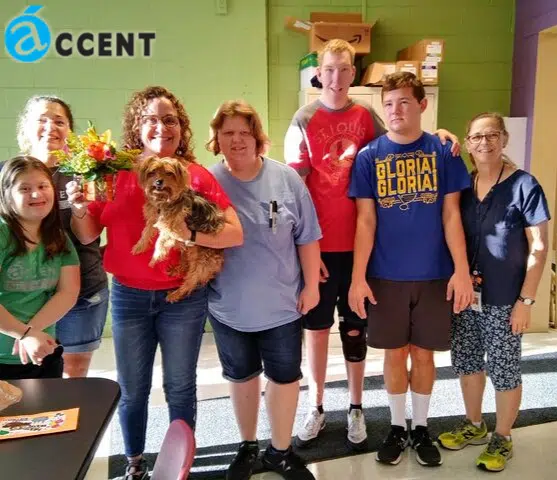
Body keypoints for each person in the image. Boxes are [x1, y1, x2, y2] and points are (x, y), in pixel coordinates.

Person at [284, 38, 460, 450]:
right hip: (319, 246)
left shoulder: (366, 116)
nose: (336, 77)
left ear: (353, 73)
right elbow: (296, 188)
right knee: (316, 330)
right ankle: (317, 405)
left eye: (344, 69)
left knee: (355, 330)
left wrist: (440, 134)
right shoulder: (303, 118)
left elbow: (402, 137)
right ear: (318, 73)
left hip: (363, 250)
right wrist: (307, 248)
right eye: (329, 69)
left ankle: (356, 406)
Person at [66, 86, 243, 480]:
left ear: (181, 128)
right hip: (129, 296)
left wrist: (188, 234)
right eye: (151, 119)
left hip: (183, 300)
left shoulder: (195, 175)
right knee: (132, 389)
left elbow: (234, 234)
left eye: (170, 120)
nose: (161, 127)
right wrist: (79, 208)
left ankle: (179, 467)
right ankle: (134, 463)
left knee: (180, 386)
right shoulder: (113, 175)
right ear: (137, 126)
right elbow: (87, 234)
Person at [348, 71, 474, 467]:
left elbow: (452, 215)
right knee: (393, 353)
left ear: (422, 104)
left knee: (423, 355)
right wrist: (357, 277)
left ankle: (420, 427)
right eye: (388, 104)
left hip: (434, 274)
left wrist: (461, 270)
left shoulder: (443, 152)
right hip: (386, 275)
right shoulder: (369, 157)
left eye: (404, 101)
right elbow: (365, 220)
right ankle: (396, 426)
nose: (395, 110)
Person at [207, 100, 321, 480]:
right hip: (228, 307)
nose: (237, 140)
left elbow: (308, 236)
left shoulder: (286, 179)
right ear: (217, 139)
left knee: (285, 378)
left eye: (245, 132)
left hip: (282, 305)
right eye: (228, 133)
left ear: (257, 137)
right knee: (241, 377)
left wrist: (312, 287)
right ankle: (247, 446)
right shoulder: (207, 183)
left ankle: (280, 451)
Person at [437, 112, 550, 472]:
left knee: (504, 368)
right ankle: (474, 424)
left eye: (491, 135)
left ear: (504, 139)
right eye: (476, 137)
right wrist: (440, 133)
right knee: (468, 362)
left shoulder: (524, 185)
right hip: (466, 296)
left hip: (505, 298)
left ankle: (502, 436)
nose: (484, 142)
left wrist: (525, 301)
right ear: (467, 144)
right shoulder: (464, 186)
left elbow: (540, 247)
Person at [14, 95, 109, 378]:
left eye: (59, 121)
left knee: (73, 373)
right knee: (27, 375)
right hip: (24, 293)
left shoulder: (86, 174)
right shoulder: (9, 174)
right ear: (25, 128)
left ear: (70, 130)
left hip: (82, 291)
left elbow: (88, 237)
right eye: (42, 120)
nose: (50, 127)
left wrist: (80, 209)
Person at [0, 156, 80, 379]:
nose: (36, 194)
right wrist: (24, 334)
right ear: (6, 194)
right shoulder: (2, 234)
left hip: (43, 351)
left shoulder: (58, 237)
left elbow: (69, 291)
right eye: (25, 188)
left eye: (43, 186)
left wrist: (31, 333)